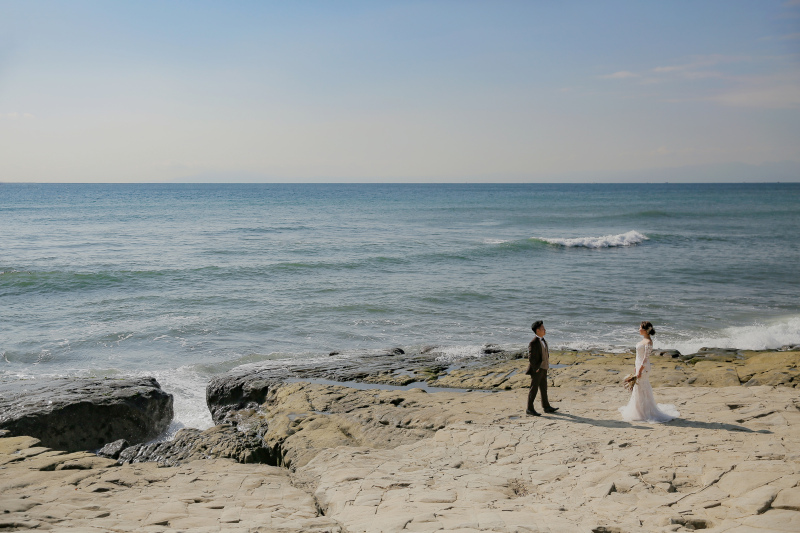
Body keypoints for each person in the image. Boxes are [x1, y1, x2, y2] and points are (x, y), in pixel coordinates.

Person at [618, 321, 679, 423]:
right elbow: (639, 356)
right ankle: (638, 410)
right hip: (639, 366)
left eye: (640, 327)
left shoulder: (648, 342)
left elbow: (645, 359)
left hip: (644, 368)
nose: (638, 329)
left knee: (642, 387)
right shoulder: (643, 340)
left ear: (645, 330)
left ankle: (645, 412)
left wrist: (640, 370)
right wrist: (635, 368)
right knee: (638, 388)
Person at [525, 320, 559, 416]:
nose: (545, 330)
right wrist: (536, 368)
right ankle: (529, 409)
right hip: (537, 369)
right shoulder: (534, 342)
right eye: (543, 328)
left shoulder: (543, 340)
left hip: (544, 368)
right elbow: (531, 357)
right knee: (534, 389)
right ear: (538, 330)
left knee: (544, 388)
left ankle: (546, 407)